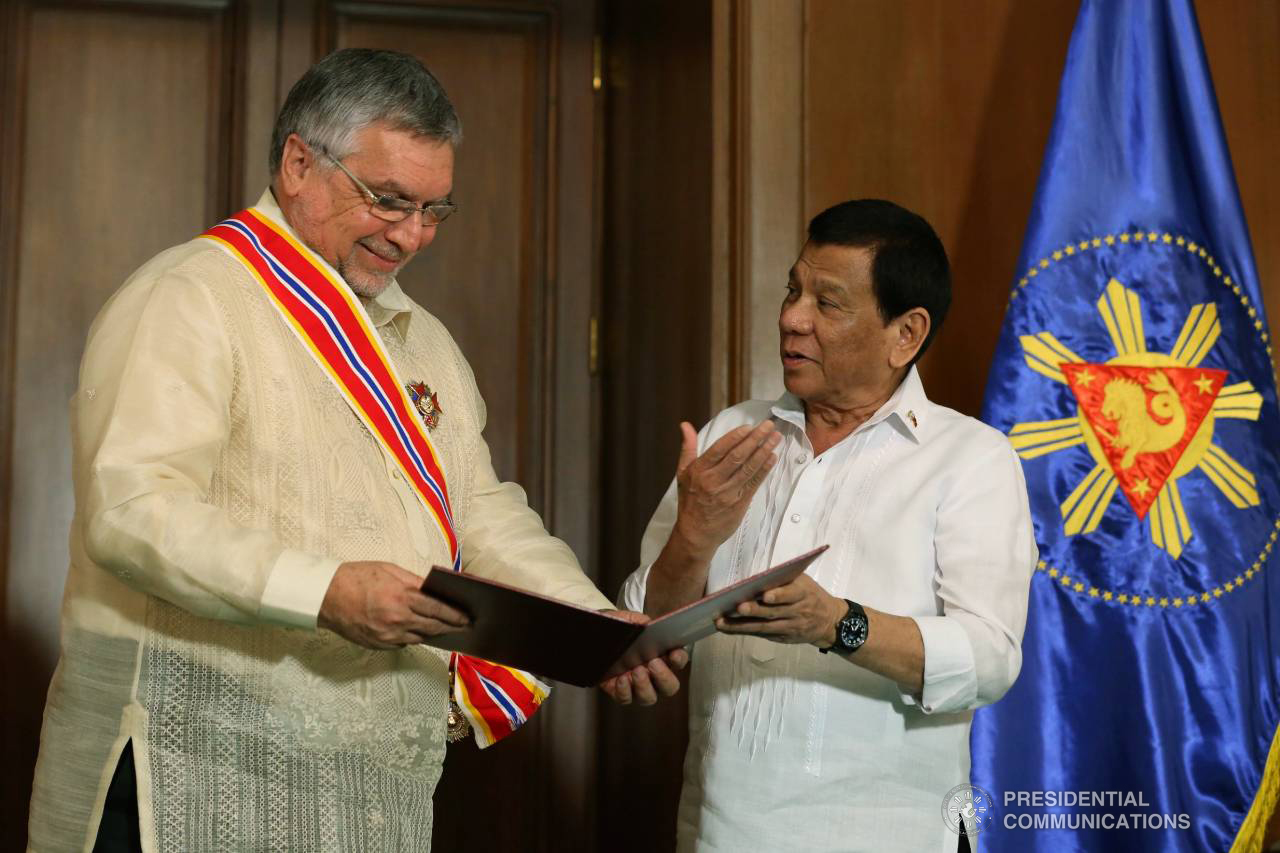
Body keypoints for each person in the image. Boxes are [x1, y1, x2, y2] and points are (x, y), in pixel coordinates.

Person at [27, 48, 679, 852]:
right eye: (389, 200)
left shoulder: (424, 339)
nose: (412, 235)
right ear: (299, 164)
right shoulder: (190, 295)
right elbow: (133, 513)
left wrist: (592, 626)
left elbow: (478, 510)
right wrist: (326, 590)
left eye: (435, 209)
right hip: (187, 772)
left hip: (362, 788)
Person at [620, 199, 1036, 852]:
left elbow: (989, 658)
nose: (792, 317)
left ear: (906, 334)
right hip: (716, 832)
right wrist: (692, 539)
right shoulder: (733, 433)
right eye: (794, 290)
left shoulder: (970, 458)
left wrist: (837, 623)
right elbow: (640, 634)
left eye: (828, 302)